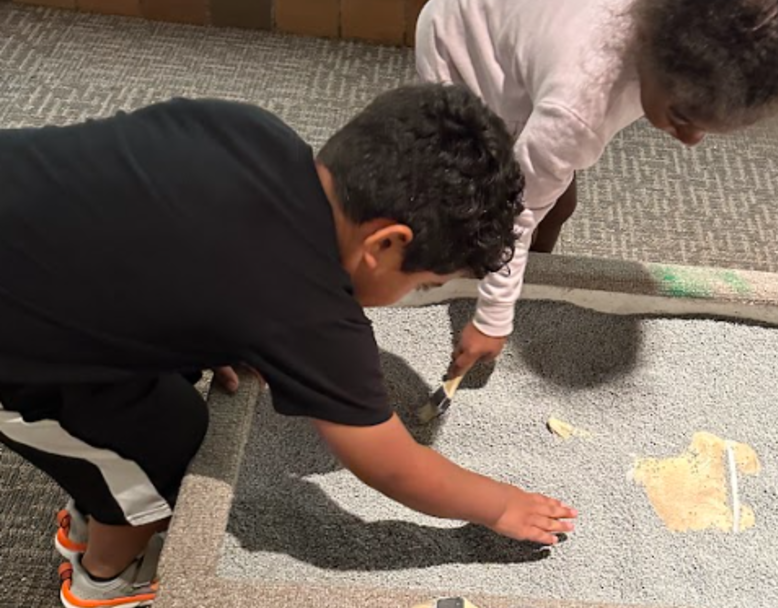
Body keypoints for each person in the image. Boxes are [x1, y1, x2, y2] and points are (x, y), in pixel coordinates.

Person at [0, 84, 576, 608]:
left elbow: (161, 233)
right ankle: (105, 575)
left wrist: (215, 323)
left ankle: (97, 498)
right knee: (163, 448)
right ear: (384, 243)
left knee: (168, 386)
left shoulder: (249, 127)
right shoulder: (307, 309)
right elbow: (394, 466)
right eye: (422, 283)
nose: (414, 294)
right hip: (18, 357)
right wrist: (500, 505)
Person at [416, 0, 778, 377]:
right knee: (479, 198)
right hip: (465, 46)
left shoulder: (687, 2)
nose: (691, 141)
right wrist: (492, 319)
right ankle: (470, 271)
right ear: (647, 40)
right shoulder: (580, 105)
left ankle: (531, 282)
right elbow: (516, 208)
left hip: (524, 19)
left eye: (708, 129)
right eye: (682, 117)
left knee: (557, 200)